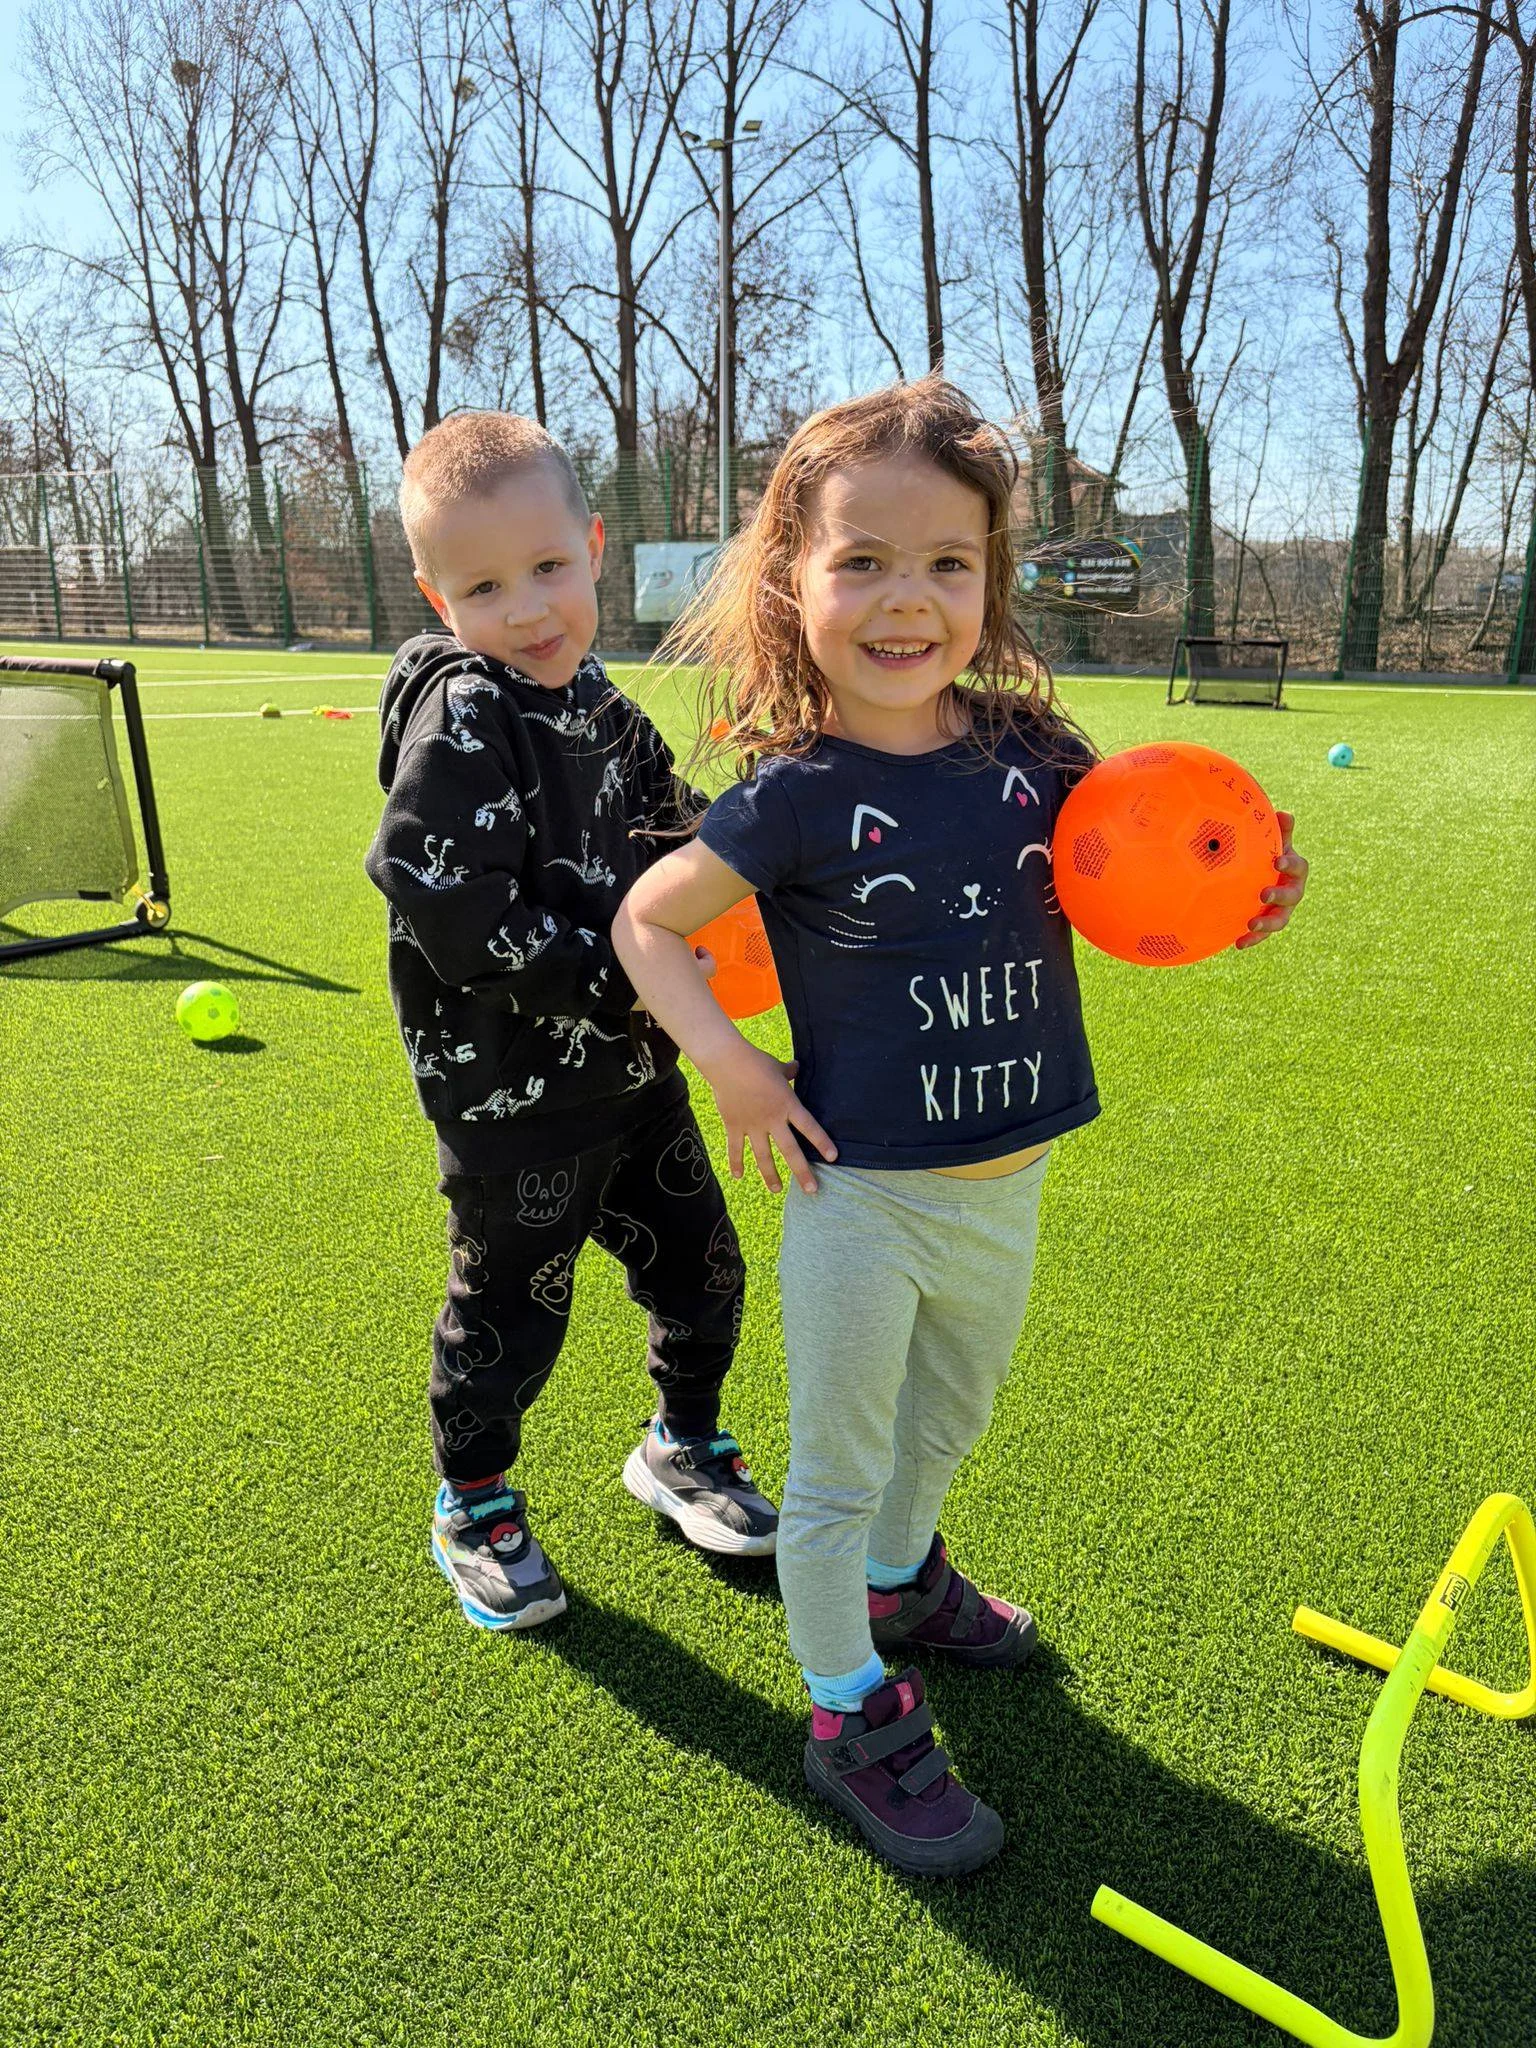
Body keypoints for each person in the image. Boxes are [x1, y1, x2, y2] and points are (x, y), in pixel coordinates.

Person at [613, 375, 1309, 1875]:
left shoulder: (1034, 751)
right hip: (862, 1197)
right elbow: (649, 929)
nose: (904, 598)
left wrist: (1242, 888)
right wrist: (737, 1069)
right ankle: (845, 1706)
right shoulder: (789, 797)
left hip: (1013, 1179)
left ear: (992, 581)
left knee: (955, 1421)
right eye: (860, 560)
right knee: (839, 1465)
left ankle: (899, 1583)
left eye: (947, 561)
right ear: (792, 581)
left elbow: (1155, 866)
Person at [365, 410, 779, 1634]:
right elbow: (440, 896)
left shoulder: (602, 708)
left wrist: (773, 845)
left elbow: (683, 831)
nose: (531, 608)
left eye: (549, 568)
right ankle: (475, 1499)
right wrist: (627, 979)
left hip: (635, 1081)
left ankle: (682, 1444)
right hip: (512, 1102)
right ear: (443, 599)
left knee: (704, 1273)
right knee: (506, 1321)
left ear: (593, 547)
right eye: (487, 586)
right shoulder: (464, 720)